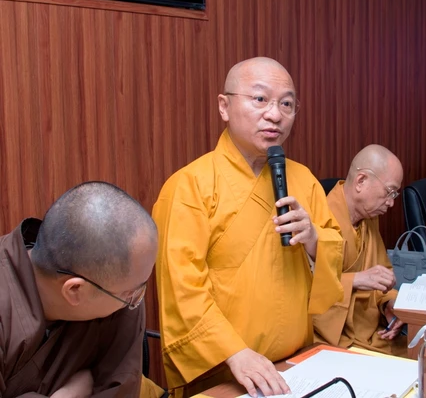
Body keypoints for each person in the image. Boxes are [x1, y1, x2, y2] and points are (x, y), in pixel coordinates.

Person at [153, 57, 344, 398]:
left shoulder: (304, 179)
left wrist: (315, 239)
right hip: (224, 373)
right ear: (224, 106)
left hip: (295, 365)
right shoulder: (189, 186)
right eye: (260, 99)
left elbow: (334, 251)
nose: (275, 115)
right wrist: (233, 352)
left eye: (286, 104)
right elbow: (181, 289)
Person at [0, 181, 158, 397]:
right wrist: (69, 394)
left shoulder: (122, 289)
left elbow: (120, 388)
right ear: (75, 290)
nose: (137, 298)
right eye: (132, 295)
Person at [313, 145, 406, 356]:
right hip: (335, 339)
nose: (391, 202)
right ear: (361, 181)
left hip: (374, 333)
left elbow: (381, 273)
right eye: (389, 192)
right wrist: (355, 280)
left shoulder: (369, 217)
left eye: (395, 194)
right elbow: (305, 290)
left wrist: (389, 303)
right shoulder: (318, 219)